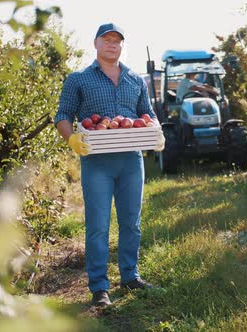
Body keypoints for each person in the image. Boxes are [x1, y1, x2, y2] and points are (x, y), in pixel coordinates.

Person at [55, 22, 163, 307]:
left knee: (132, 223)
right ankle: (100, 287)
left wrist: (156, 130)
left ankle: (130, 276)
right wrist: (72, 141)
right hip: (97, 162)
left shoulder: (135, 79)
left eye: (117, 40)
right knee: (98, 226)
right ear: (96, 44)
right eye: (107, 39)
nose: (112, 44)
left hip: (130, 160)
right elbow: (63, 115)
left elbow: (148, 113)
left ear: (121, 45)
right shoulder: (78, 79)